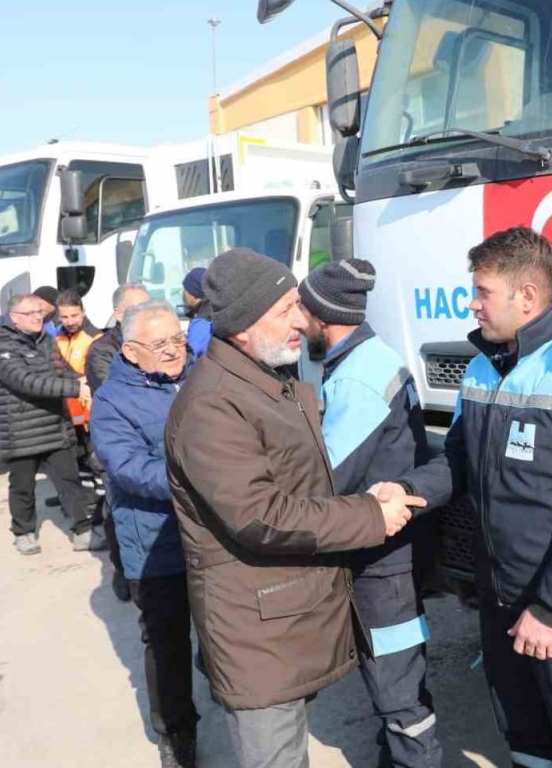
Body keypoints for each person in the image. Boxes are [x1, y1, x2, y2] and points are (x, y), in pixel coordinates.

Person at [164, 248, 425, 768]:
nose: (299, 320)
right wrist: (370, 517)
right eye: (285, 308)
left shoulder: (261, 379)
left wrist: (367, 499)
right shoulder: (213, 403)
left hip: (281, 618)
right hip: (256, 633)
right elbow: (262, 515)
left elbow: (306, 477)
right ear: (243, 323)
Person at [391, 227, 552, 768]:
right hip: (500, 600)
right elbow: (457, 461)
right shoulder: (483, 368)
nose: (473, 304)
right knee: (526, 742)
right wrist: (407, 492)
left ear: (527, 296)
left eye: (483, 292)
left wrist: (550, 610)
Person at [298, 259, 442, 768]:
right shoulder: (365, 358)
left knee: (400, 696)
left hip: (383, 568)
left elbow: (326, 478)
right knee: (393, 690)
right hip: (387, 556)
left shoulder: (357, 380)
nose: (298, 323)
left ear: (324, 318)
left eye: (302, 312)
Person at [92, 300, 199, 768]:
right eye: (162, 344)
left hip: (213, 538)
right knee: (167, 645)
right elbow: (131, 469)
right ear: (132, 351)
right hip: (156, 547)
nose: (175, 350)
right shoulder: (112, 401)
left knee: (225, 636)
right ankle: (176, 734)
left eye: (179, 338)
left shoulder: (204, 375)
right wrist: (203, 482)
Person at [0, 293, 102, 556]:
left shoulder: (47, 341)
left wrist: (87, 382)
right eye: (31, 314)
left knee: (69, 480)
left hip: (54, 426)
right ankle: (24, 532)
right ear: (14, 318)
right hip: (21, 431)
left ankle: (82, 530)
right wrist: (75, 388)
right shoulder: (1, 348)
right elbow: (27, 382)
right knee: (22, 487)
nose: (38, 317)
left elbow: (64, 370)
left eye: (40, 312)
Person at [86, 283, 152, 602]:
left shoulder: (156, 341)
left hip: (153, 440)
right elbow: (112, 391)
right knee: (117, 512)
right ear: (117, 313)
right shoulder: (102, 350)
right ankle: (122, 570)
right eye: (135, 308)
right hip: (120, 444)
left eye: (147, 306)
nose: (143, 314)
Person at [55, 289, 100, 430]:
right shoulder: (57, 339)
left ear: (83, 312)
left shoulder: (95, 338)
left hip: (85, 408)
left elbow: (97, 378)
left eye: (74, 315)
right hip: (64, 409)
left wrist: (89, 412)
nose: (70, 321)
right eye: (65, 317)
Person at [181, 268, 211, 358]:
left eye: (185, 290)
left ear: (194, 293)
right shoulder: (214, 311)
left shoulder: (203, 323)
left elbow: (190, 358)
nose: (183, 294)